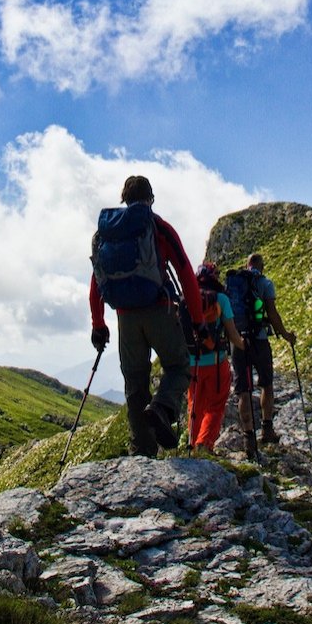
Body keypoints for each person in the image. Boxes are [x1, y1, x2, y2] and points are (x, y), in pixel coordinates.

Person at [89, 176, 205, 457]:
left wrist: (98, 323)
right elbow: (186, 273)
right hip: (159, 309)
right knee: (179, 366)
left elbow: (97, 283)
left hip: (125, 319)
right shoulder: (158, 228)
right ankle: (163, 408)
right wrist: (198, 321)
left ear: (124, 199)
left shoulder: (105, 235)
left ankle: (142, 450)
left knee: (134, 383)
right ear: (150, 198)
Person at [233, 252, 297, 455]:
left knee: (243, 390)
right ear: (261, 265)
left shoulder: (235, 282)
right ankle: (267, 430)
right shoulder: (264, 283)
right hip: (259, 340)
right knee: (266, 384)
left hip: (238, 342)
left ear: (247, 263)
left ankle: (248, 439)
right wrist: (286, 335)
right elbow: (272, 313)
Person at [186, 262, 245, 454]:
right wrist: (246, 346)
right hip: (216, 362)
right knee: (215, 405)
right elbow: (233, 334)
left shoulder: (187, 299)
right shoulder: (221, 299)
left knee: (195, 406)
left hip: (192, 363)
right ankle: (205, 444)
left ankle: (192, 445)